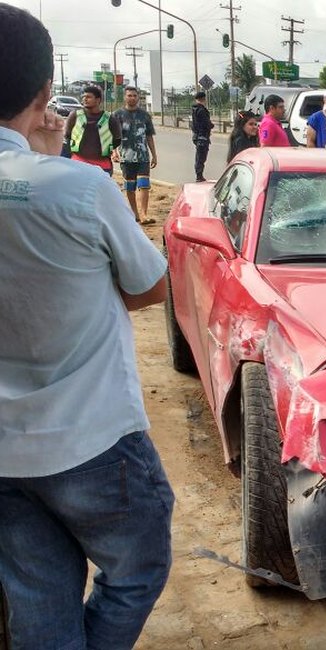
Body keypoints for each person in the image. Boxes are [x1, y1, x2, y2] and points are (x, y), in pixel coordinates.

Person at [0, 5, 174, 650]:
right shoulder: (74, 189)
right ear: (46, 92)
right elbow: (150, 286)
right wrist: (52, 160)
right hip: (90, 438)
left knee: (38, 588)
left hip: (4, 451)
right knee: (138, 569)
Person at [112, 85, 158, 225]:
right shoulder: (117, 115)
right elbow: (113, 136)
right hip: (126, 157)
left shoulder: (145, 115)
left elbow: (149, 136)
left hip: (143, 156)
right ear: (125, 97)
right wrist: (114, 152)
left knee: (144, 184)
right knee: (130, 187)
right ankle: (135, 214)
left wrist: (154, 155)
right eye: (129, 95)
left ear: (138, 97)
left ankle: (144, 214)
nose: (132, 98)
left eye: (134, 95)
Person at [63, 84, 120, 174]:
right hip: (78, 162)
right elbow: (67, 136)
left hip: (103, 165)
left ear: (98, 100)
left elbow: (117, 139)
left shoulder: (109, 118)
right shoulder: (75, 116)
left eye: (89, 97)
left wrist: (108, 150)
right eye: (84, 97)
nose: (85, 99)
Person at [191, 90, 213, 182]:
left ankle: (199, 175)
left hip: (197, 136)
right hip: (202, 136)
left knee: (199, 156)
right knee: (201, 157)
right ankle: (199, 176)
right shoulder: (201, 110)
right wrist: (211, 125)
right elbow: (205, 123)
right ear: (203, 99)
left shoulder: (194, 109)